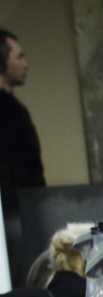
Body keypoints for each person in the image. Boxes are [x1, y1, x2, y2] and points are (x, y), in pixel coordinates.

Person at [0, 31, 45, 196]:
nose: (25, 64)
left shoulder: (15, 108)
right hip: (13, 208)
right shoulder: (8, 109)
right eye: (19, 58)